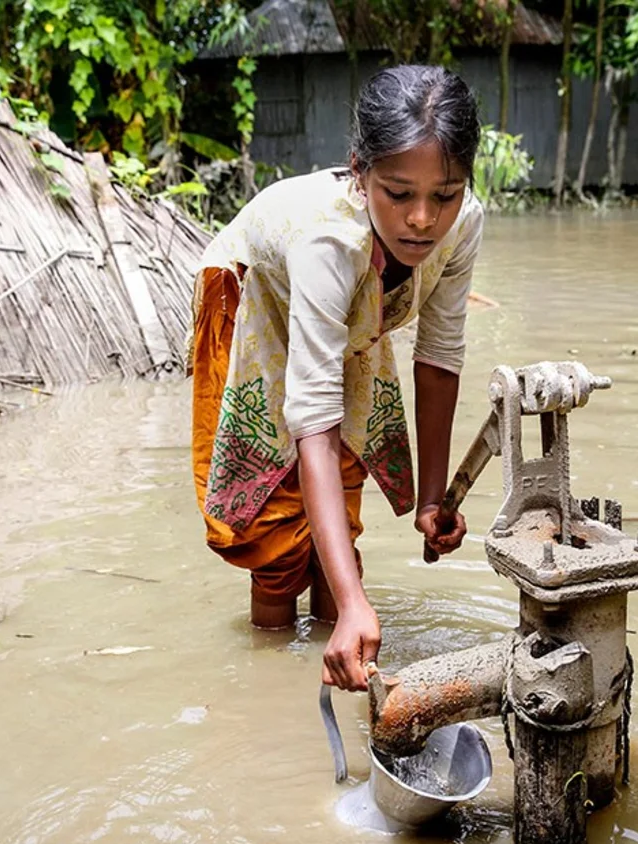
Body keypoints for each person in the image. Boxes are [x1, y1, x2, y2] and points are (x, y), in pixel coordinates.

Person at [189, 64, 483, 693]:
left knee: (346, 476)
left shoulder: (463, 224)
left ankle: (338, 616)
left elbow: (439, 354)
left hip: (356, 304)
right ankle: (270, 668)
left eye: (446, 194)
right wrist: (360, 605)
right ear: (360, 171)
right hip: (255, 291)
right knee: (269, 519)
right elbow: (313, 417)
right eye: (398, 194)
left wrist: (434, 500)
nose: (423, 220)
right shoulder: (328, 240)